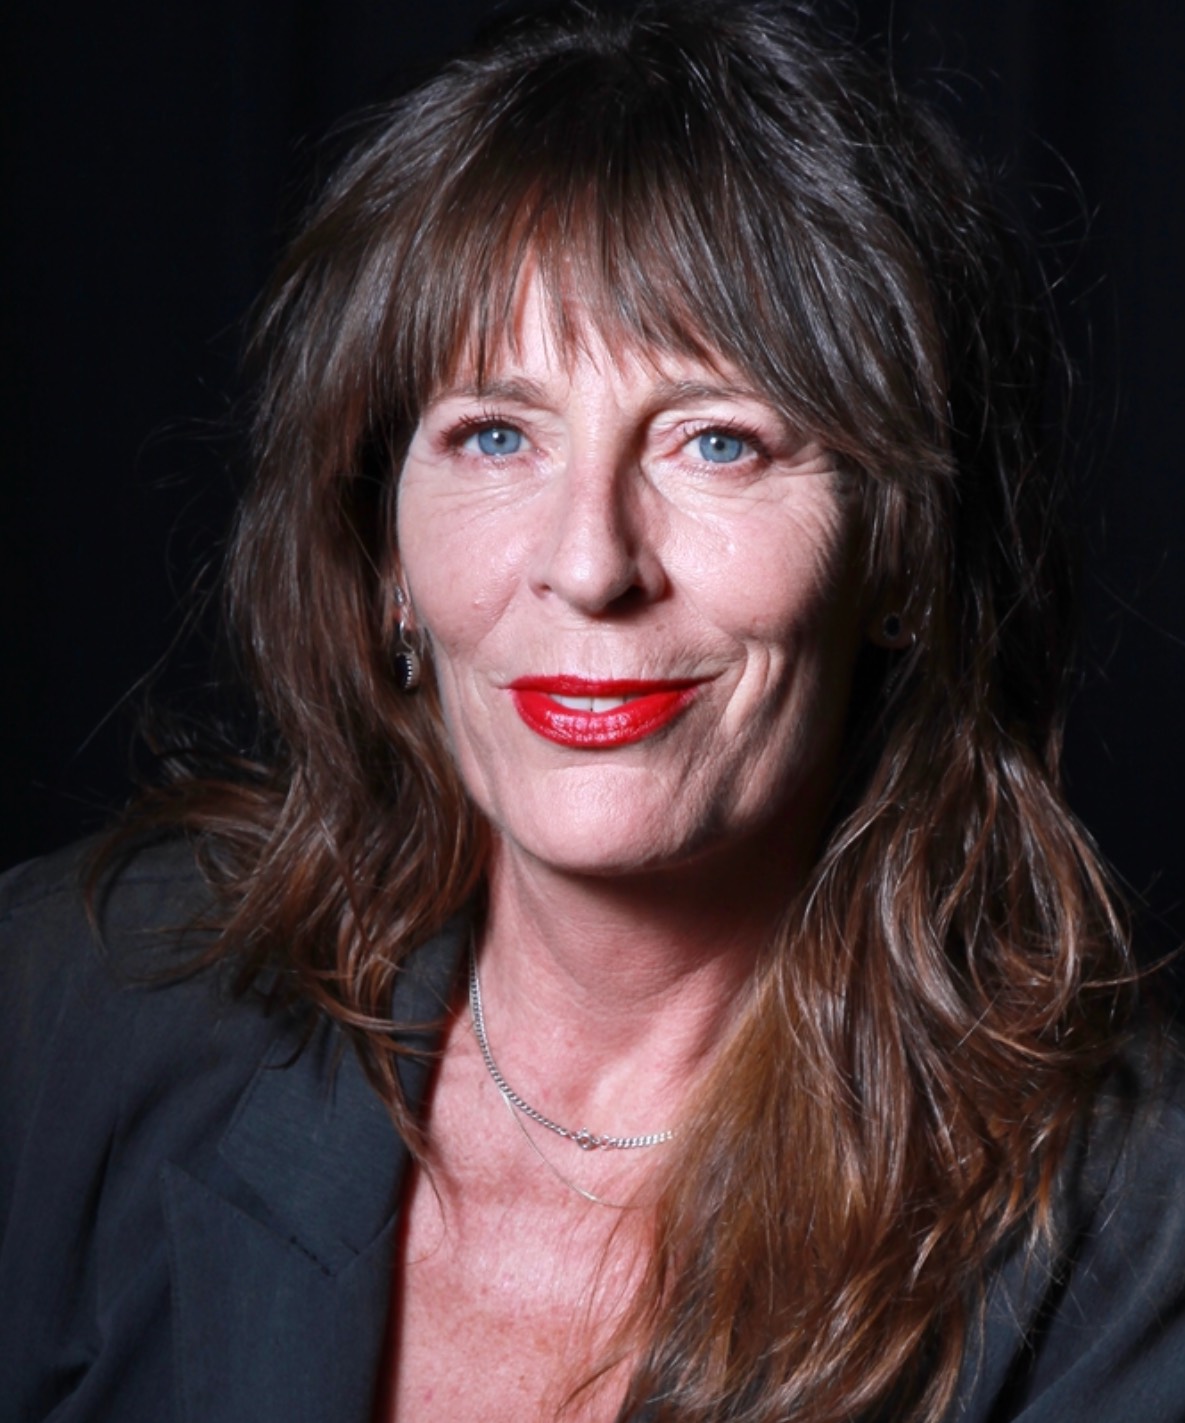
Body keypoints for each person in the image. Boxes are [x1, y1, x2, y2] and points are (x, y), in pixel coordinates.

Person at [2, 4, 1184, 1421]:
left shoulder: (1123, 1229)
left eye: (717, 440)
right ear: (384, 553)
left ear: (899, 558)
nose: (589, 563)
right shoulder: (63, 1007)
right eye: (495, 434)